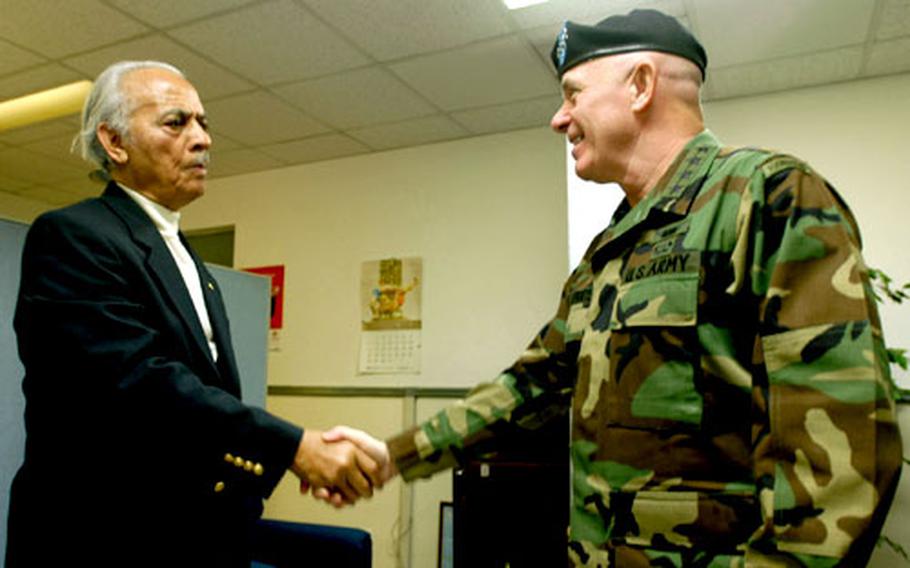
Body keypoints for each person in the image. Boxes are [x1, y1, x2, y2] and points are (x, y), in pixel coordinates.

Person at [326, 9, 903, 566]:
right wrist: (391, 455)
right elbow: (532, 386)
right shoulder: (610, 250)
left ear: (641, 84)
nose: (558, 117)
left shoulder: (769, 198)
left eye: (573, 93)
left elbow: (839, 470)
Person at [5, 61, 381, 567]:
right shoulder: (72, 235)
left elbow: (207, 402)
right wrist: (297, 449)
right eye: (176, 122)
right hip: (103, 538)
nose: (202, 139)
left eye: (204, 123)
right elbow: (138, 385)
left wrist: (290, 462)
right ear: (114, 142)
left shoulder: (190, 260)